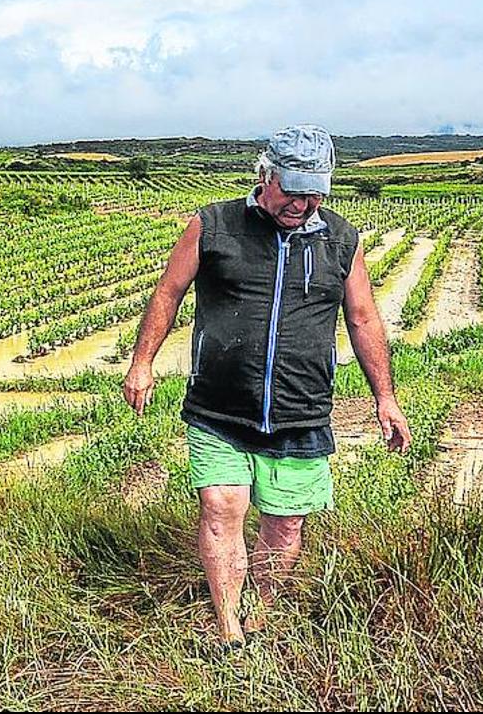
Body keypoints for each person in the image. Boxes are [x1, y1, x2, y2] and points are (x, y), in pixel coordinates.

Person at [121, 124, 411, 649]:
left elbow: (364, 319)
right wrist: (142, 362)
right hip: (220, 407)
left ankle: (259, 612)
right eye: (293, 190)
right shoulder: (213, 225)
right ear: (264, 175)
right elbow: (169, 291)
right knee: (223, 505)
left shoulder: (341, 240)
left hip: (301, 411)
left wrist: (384, 397)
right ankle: (229, 628)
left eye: (314, 192)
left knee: (284, 525)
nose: (303, 203)